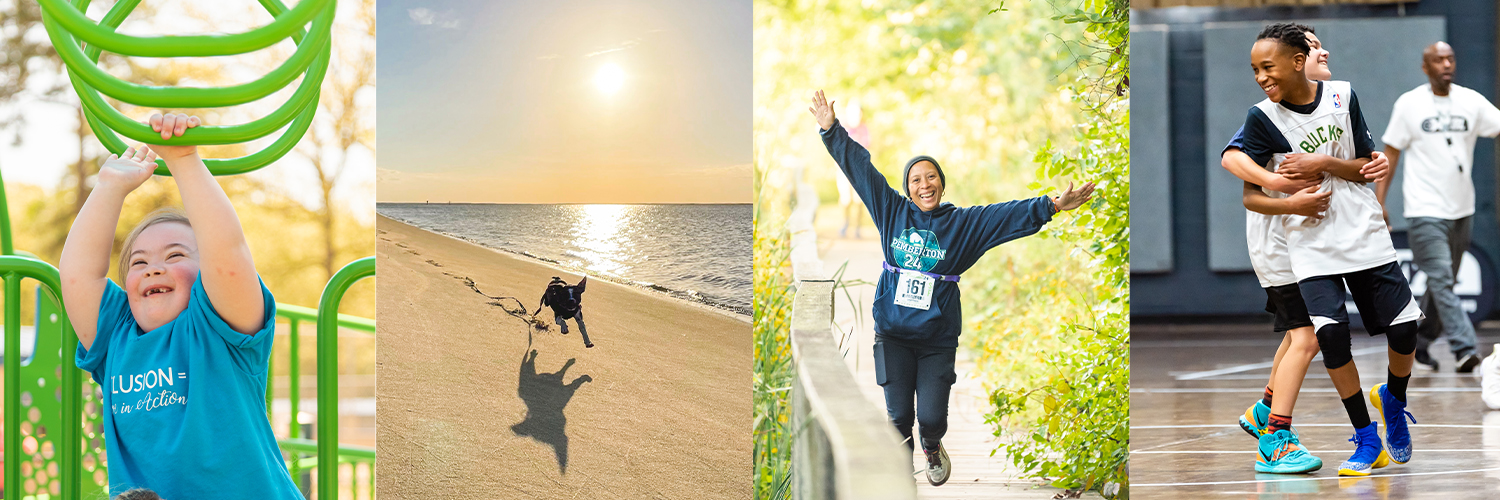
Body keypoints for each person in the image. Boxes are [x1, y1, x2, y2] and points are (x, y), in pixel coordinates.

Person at [808, 90, 1095, 486]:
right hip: (891, 332)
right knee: (897, 419)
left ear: (941, 183)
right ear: (908, 188)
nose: (924, 185)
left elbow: (1005, 215)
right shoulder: (891, 211)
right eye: (916, 180)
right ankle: (900, 481)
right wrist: (830, 129)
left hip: (936, 338)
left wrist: (1052, 205)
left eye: (931, 178)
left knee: (930, 417)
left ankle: (932, 444)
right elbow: (861, 169)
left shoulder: (962, 226)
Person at [58, 114, 303, 499]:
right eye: (138, 262)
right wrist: (109, 187)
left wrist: (184, 159)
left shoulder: (220, 328)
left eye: (175, 255)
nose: (154, 266)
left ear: (206, 275)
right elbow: (76, 275)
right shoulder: (115, 338)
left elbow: (228, 256)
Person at [1232, 23, 1422, 476]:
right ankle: (1364, 435)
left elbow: (1365, 167)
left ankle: (1392, 401)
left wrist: (1324, 162)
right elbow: (1247, 192)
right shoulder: (1262, 118)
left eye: (1268, 67)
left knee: (1405, 329)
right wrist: (1287, 195)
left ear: (1298, 61)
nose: (1261, 76)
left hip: (1361, 231)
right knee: (1328, 335)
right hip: (1309, 242)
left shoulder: (1343, 96)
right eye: (1255, 69)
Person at [1378, 41, 1500, 373]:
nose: (1446, 64)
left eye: (1450, 59)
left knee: (1440, 281)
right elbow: (1390, 153)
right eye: (1438, 60)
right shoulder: (1410, 104)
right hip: (1424, 208)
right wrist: (1379, 201)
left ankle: (1420, 339)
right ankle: (1465, 349)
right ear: (1425, 67)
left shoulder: (1470, 101)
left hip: (1462, 207)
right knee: (1443, 278)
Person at [537, 276, 592, 348]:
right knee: (579, 321)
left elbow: (547, 304)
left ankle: (587, 341)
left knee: (580, 321)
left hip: (568, 309)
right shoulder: (558, 296)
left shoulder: (567, 299)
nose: (571, 300)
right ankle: (587, 342)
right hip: (564, 308)